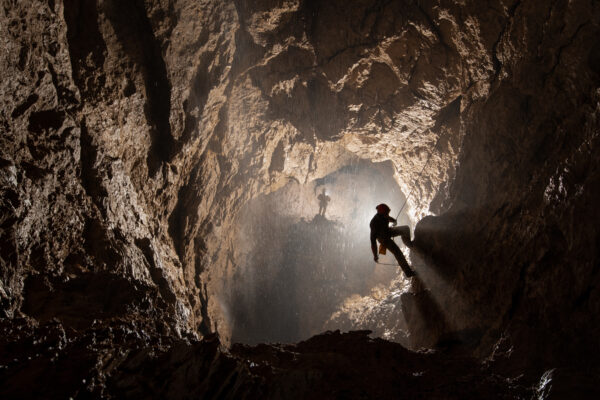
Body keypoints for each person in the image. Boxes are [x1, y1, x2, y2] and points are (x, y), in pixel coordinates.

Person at [369, 203, 416, 277]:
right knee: (398, 253)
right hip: (383, 239)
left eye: (388, 213)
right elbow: (373, 242)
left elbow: (388, 218)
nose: (387, 214)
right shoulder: (373, 223)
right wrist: (375, 255)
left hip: (388, 231)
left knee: (405, 229)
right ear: (381, 213)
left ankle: (408, 243)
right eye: (386, 213)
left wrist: (394, 220)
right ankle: (408, 272)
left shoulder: (383, 215)